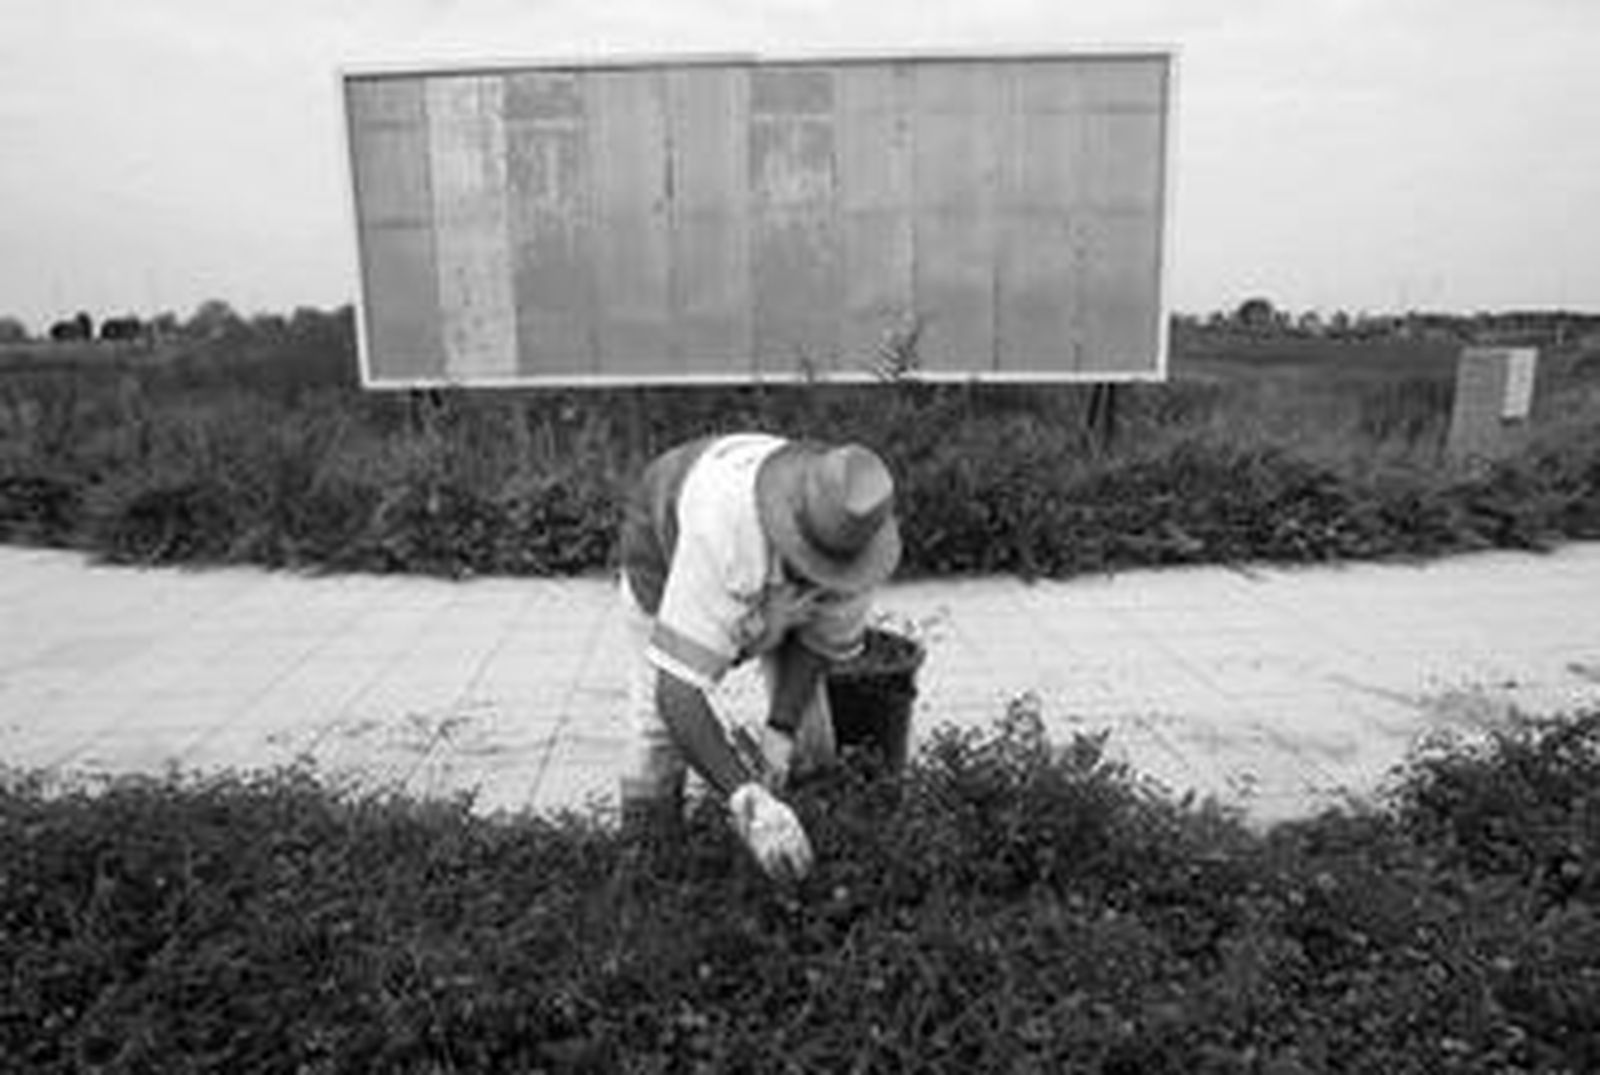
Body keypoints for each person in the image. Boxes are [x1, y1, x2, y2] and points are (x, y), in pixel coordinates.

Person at [617, 433, 902, 880]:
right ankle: (648, 869)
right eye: (812, 565)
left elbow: (816, 644)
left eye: (829, 572)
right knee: (656, 732)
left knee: (811, 735)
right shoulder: (724, 532)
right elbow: (676, 692)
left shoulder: (856, 534)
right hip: (663, 538)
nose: (822, 578)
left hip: (762, 563)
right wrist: (748, 799)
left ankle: (811, 853)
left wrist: (779, 736)